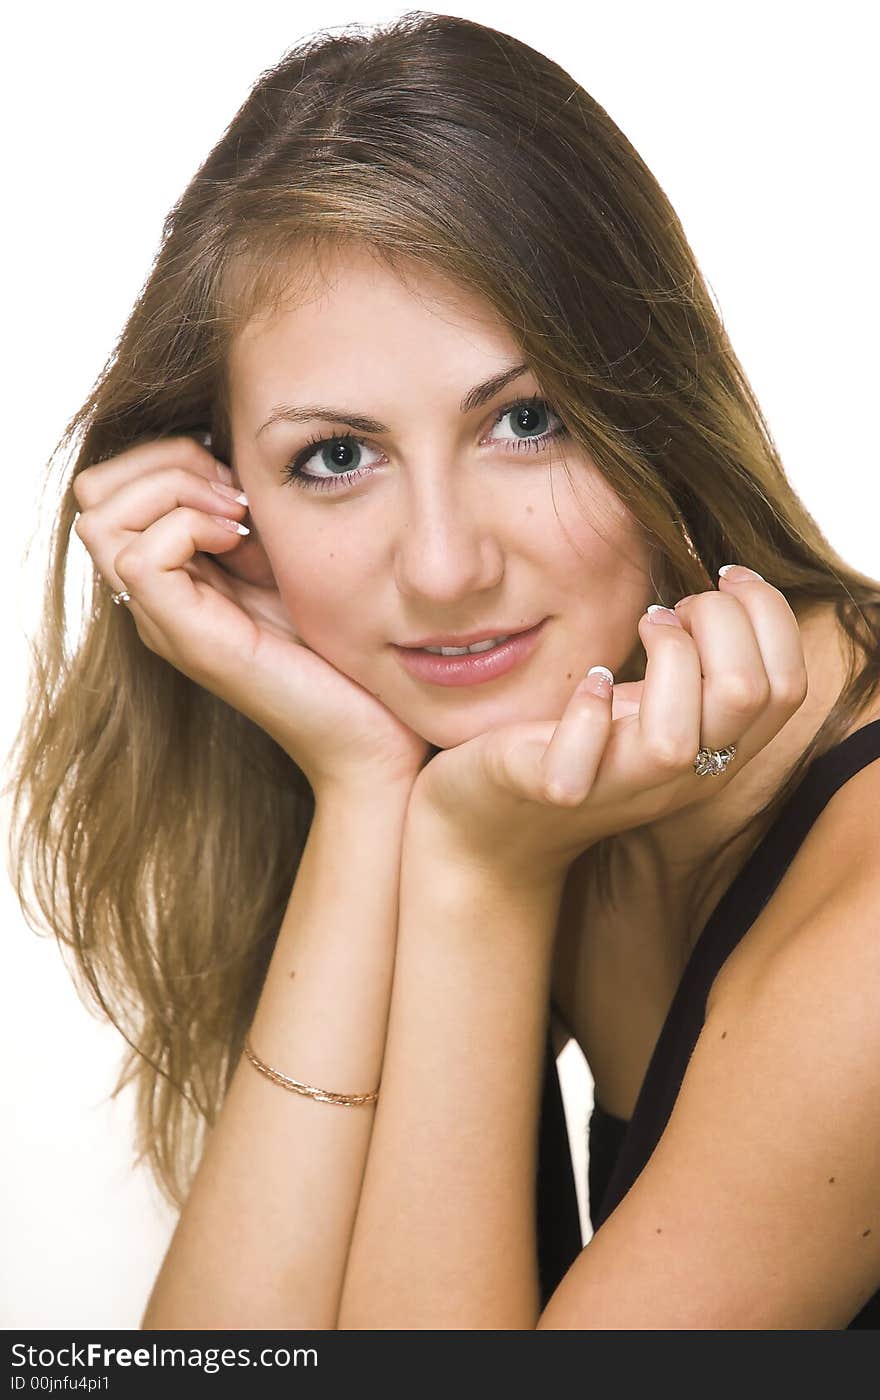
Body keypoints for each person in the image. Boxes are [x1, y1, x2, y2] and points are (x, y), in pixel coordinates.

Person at [5, 11, 880, 1330]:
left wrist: (477, 875)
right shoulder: (550, 760)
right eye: (336, 458)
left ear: (656, 403)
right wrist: (365, 793)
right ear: (230, 502)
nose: (444, 566)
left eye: (525, 422)